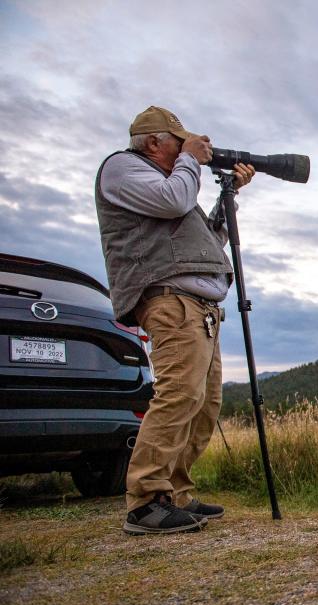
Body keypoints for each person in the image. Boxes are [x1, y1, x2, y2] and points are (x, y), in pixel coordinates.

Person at [95, 106, 255, 535]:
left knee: (203, 404)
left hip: (200, 308)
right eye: (177, 141)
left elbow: (209, 241)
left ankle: (176, 493)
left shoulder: (170, 185)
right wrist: (191, 158)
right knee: (179, 395)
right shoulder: (123, 169)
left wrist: (227, 196)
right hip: (170, 300)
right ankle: (146, 500)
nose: (187, 149)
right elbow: (175, 200)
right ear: (153, 142)